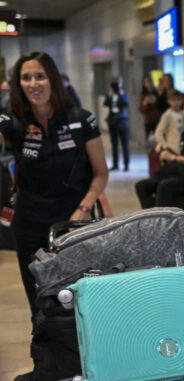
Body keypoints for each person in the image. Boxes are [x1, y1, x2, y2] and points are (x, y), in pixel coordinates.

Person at [0, 51, 108, 380]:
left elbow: (100, 173)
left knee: (79, 299)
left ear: (54, 78)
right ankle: (47, 368)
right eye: (26, 77)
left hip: (73, 226)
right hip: (30, 225)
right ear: (18, 84)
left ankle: (88, 366)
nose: (34, 83)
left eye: (40, 76)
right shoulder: (13, 121)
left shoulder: (80, 118)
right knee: (39, 302)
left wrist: (83, 208)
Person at [103, 75, 130, 171]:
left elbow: (126, 104)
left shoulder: (124, 94)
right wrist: (110, 96)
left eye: (117, 82)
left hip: (122, 120)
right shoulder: (109, 93)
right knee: (114, 144)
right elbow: (105, 103)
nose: (116, 85)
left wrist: (121, 95)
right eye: (114, 82)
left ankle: (126, 164)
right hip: (112, 121)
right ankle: (115, 164)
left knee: (125, 144)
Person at [154, 90, 184, 154]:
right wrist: (166, 147)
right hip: (173, 149)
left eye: (179, 99)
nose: (176, 102)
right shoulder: (167, 115)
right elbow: (158, 133)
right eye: (173, 100)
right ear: (168, 101)